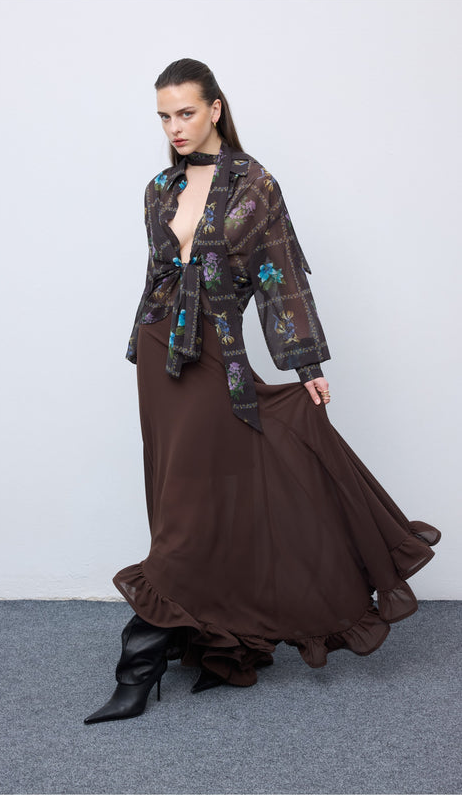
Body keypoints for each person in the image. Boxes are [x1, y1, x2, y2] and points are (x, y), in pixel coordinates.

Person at [83, 59, 440, 724]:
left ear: (215, 108)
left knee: (195, 511)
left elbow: (279, 276)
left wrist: (306, 364)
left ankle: (139, 662)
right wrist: (141, 343)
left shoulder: (255, 186)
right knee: (181, 503)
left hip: (216, 357)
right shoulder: (159, 188)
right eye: (163, 116)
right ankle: (222, 649)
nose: (174, 127)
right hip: (160, 361)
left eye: (186, 112)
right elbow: (159, 279)